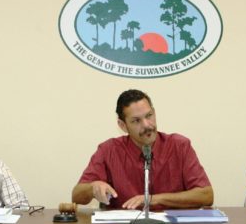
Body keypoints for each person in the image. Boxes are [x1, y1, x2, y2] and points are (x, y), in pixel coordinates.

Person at [72, 89, 213, 210]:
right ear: (122, 125)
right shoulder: (109, 150)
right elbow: (76, 196)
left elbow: (206, 195)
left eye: (149, 116)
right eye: (136, 121)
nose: (147, 125)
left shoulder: (179, 146)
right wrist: (93, 187)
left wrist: (152, 199)